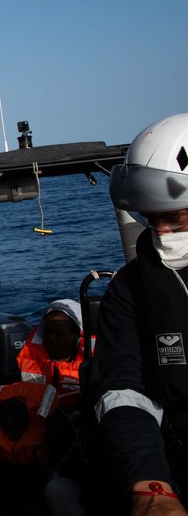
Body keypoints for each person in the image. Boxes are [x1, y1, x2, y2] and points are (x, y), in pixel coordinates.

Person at [84, 113, 188, 516]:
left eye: (174, 217)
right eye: (151, 217)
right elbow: (124, 390)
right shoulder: (130, 289)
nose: (161, 231)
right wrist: (150, 486)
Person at [17, 299, 86, 392]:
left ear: (76, 334)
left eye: (59, 333)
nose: (51, 337)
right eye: (47, 331)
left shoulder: (94, 362)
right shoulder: (29, 354)